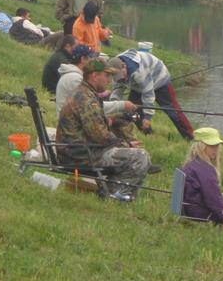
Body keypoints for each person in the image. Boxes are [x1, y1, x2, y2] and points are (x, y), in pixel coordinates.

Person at [55, 58, 152, 200]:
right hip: (81, 156)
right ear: (95, 75)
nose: (109, 80)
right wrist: (125, 144)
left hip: (78, 151)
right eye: (106, 76)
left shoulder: (84, 93)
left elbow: (98, 130)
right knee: (140, 157)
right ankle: (114, 196)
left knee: (138, 154)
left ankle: (116, 193)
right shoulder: (85, 98)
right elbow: (100, 136)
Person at [109, 47, 196, 141]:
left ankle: (191, 137)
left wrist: (148, 117)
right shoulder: (115, 67)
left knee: (173, 112)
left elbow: (148, 93)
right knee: (133, 111)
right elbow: (117, 90)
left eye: (122, 76)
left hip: (160, 80)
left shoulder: (139, 71)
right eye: (117, 77)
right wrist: (112, 108)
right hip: (138, 86)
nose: (122, 79)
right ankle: (148, 134)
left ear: (124, 66)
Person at [181, 127, 223, 225]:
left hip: (191, 207)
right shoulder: (205, 169)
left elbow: (212, 196)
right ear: (201, 146)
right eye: (212, 146)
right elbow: (212, 199)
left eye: (217, 146)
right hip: (199, 213)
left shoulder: (192, 163)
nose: (216, 150)